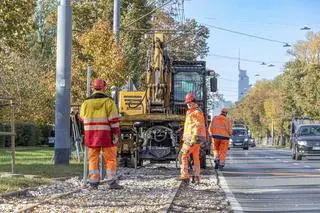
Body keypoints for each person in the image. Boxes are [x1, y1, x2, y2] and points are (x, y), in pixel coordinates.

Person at [80, 79, 123, 189]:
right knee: (110, 159)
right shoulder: (109, 102)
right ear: (105, 88)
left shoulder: (85, 103)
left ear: (93, 88)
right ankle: (111, 182)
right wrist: (116, 134)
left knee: (93, 158)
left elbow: (81, 119)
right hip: (106, 135)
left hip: (91, 136)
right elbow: (114, 120)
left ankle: (94, 183)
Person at [179, 93, 206, 185]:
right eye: (187, 103)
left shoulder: (196, 112)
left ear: (194, 102)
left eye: (190, 103)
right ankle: (196, 176)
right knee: (195, 156)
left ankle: (185, 177)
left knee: (183, 155)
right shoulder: (192, 112)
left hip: (193, 139)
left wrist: (193, 138)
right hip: (195, 139)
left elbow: (198, 126)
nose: (188, 105)